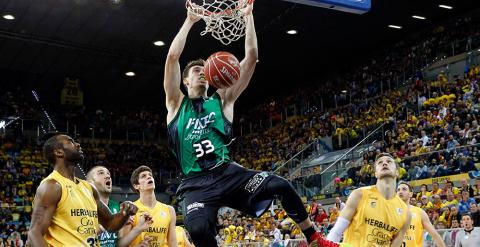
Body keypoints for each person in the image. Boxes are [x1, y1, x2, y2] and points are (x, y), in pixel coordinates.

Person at [163, 2, 330, 247]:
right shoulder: (177, 104)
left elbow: (251, 57)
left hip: (228, 173)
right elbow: (172, 57)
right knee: (198, 229)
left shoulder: (222, 100)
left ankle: (314, 238)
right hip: (195, 184)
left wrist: (249, 17)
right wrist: (189, 21)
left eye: (203, 70)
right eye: (196, 70)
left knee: (281, 185)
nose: (201, 72)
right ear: (185, 81)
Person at [27, 134, 137, 246]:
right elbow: (34, 233)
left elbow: (110, 224)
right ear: (59, 152)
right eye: (71, 142)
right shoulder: (52, 186)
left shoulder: (89, 188)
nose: (78, 144)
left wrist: (125, 212)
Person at [326, 153, 411, 247]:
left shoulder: (406, 212)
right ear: (376, 174)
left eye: (389, 162)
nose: (384, 163)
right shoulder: (359, 195)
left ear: (397, 172)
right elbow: (337, 232)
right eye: (380, 162)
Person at [119, 166, 177, 247]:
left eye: (150, 175)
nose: (149, 177)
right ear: (136, 186)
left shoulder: (169, 210)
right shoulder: (131, 209)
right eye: (143, 176)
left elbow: (173, 243)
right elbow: (121, 244)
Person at [396, 181, 446, 247]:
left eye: (404, 189)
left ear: (411, 194)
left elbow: (435, 235)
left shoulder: (420, 212)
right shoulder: (390, 211)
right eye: (398, 190)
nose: (400, 192)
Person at [86, 166, 121, 247]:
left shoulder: (116, 206)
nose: (108, 176)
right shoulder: (82, 207)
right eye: (101, 173)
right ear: (89, 182)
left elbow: (120, 243)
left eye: (108, 174)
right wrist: (109, 223)